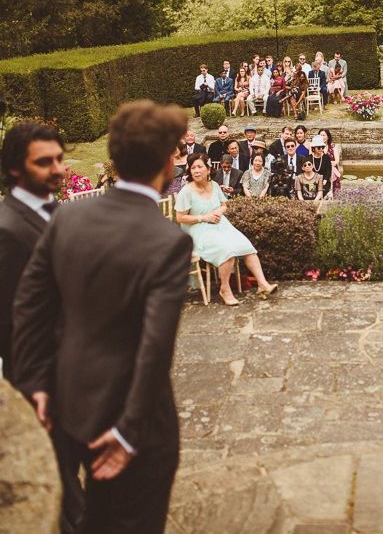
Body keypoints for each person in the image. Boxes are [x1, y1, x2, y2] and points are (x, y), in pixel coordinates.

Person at [13, 101, 193, 534]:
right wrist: (130, 432)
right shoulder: (167, 241)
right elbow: (154, 347)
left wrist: (36, 382)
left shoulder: (67, 216)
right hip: (134, 425)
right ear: (169, 160)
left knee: (94, 519)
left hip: (69, 402)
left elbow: (29, 305)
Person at [0, 124, 65, 383]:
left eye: (59, 159)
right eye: (44, 162)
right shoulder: (7, 230)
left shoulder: (55, 210)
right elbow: (9, 321)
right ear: (15, 168)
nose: (58, 169)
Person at [174, 152, 277, 305]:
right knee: (227, 252)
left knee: (247, 247)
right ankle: (225, 289)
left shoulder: (214, 185)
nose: (196, 170)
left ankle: (263, 284)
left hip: (220, 225)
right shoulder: (186, 191)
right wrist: (204, 217)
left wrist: (218, 212)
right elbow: (180, 218)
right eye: (193, 168)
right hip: (197, 230)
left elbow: (224, 205)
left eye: (200, 167)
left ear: (208, 169)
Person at [319, 128, 342, 197]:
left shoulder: (333, 146)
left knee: (334, 190)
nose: (322, 137)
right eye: (321, 135)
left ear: (328, 136)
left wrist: (330, 165)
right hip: (322, 171)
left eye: (324, 135)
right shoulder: (317, 147)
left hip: (333, 170)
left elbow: (337, 160)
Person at [310, 134, 333, 198]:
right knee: (309, 192)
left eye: (322, 147)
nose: (321, 149)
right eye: (319, 147)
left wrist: (325, 180)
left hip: (324, 182)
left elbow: (328, 171)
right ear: (314, 148)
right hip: (311, 181)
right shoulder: (309, 158)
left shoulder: (326, 157)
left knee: (323, 190)